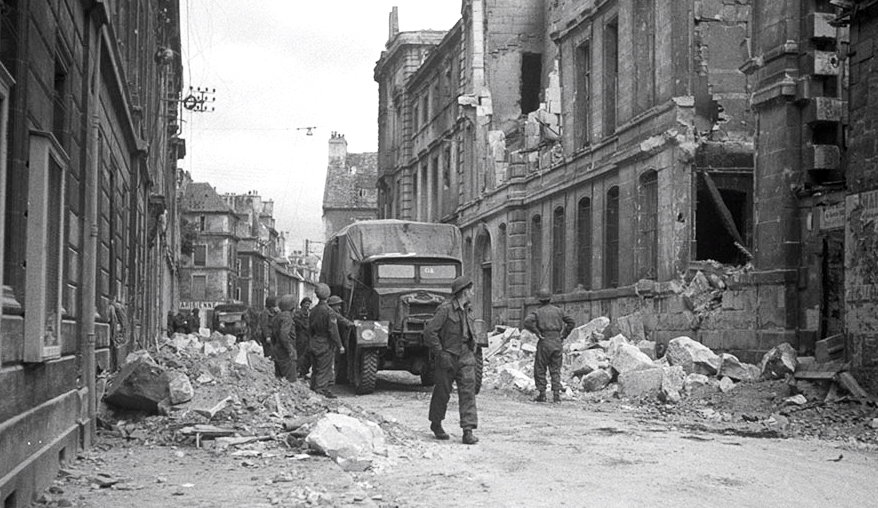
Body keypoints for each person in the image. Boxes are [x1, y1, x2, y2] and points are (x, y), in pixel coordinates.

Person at [424, 275, 480, 445]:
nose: (473, 293)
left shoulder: (469, 309)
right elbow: (430, 332)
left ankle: (468, 431)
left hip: (466, 356)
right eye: (471, 290)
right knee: (442, 392)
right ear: (464, 291)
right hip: (448, 356)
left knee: (468, 393)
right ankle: (436, 423)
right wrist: (440, 352)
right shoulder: (445, 309)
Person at [523, 288, 576, 403]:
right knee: (555, 369)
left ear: (540, 300)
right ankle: (556, 395)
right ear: (550, 299)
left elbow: (527, 322)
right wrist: (564, 335)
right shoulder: (559, 311)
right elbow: (571, 322)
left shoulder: (537, 312)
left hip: (544, 341)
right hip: (557, 341)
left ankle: (542, 394)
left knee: (540, 368)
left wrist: (537, 332)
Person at [309, 283, 345, 399]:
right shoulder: (329, 312)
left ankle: (313, 389)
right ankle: (320, 392)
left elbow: (310, 329)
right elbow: (333, 331)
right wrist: (340, 345)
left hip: (314, 341)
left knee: (316, 368)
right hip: (325, 343)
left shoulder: (313, 310)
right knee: (324, 369)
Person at [271, 294, 298, 383]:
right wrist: (289, 350)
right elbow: (283, 335)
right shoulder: (287, 317)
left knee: (280, 380)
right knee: (290, 380)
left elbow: (273, 335)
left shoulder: (278, 316)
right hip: (285, 352)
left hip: (278, 350)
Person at [293, 297, 312, 378]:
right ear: (302, 304)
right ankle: (298, 370)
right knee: (300, 353)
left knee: (306, 354)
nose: (307, 305)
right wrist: (305, 326)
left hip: (307, 336)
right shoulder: (298, 312)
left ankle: (303, 371)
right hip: (301, 335)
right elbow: (297, 322)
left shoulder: (308, 312)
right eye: (306, 304)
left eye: (309, 304)